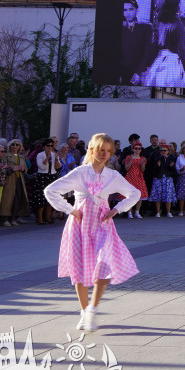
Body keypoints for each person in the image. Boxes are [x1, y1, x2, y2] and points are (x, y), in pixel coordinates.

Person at [44, 132, 141, 332]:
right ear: (91, 150)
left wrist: (117, 209)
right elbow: (50, 190)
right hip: (80, 224)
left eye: (108, 151)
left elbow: (135, 193)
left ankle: (93, 309)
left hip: (102, 224)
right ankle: (84, 311)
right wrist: (70, 209)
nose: (104, 154)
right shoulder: (80, 172)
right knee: (80, 269)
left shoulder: (112, 175)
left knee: (104, 265)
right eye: (101, 150)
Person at [120, 0, 155, 84]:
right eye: (125, 10)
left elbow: (147, 51)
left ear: (136, 10)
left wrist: (138, 72)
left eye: (131, 9)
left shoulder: (146, 27)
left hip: (139, 72)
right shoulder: (120, 27)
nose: (127, 13)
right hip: (121, 72)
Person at [33, 139, 60, 225]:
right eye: (48, 146)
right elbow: (42, 167)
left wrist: (56, 159)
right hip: (42, 177)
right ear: (44, 146)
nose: (50, 148)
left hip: (51, 176)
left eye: (51, 146)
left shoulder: (54, 154)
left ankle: (47, 217)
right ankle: (40, 217)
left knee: (50, 197)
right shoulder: (40, 155)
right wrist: (47, 157)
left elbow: (58, 167)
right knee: (41, 198)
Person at [149, 141, 176, 218]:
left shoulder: (171, 158)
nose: (163, 152)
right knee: (158, 196)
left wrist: (171, 166)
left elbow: (174, 171)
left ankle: (168, 212)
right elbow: (153, 170)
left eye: (165, 150)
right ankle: (158, 212)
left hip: (168, 179)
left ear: (168, 151)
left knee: (168, 196)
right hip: (159, 178)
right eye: (162, 150)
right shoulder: (157, 159)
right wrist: (157, 166)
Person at [123, 142, 147, 219]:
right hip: (130, 177)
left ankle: (137, 212)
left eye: (139, 148)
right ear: (133, 149)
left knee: (140, 195)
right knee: (129, 195)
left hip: (139, 177)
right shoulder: (129, 157)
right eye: (136, 148)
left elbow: (143, 170)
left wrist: (142, 165)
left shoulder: (143, 158)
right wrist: (131, 161)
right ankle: (129, 212)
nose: (137, 150)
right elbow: (126, 168)